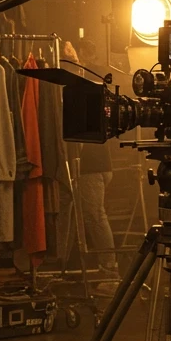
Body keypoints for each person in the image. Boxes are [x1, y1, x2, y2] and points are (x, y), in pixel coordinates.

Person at [63, 39, 118, 285]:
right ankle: (96, 264)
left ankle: (109, 268)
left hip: (91, 166)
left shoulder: (85, 86)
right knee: (91, 214)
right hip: (100, 164)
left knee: (95, 215)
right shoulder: (96, 84)